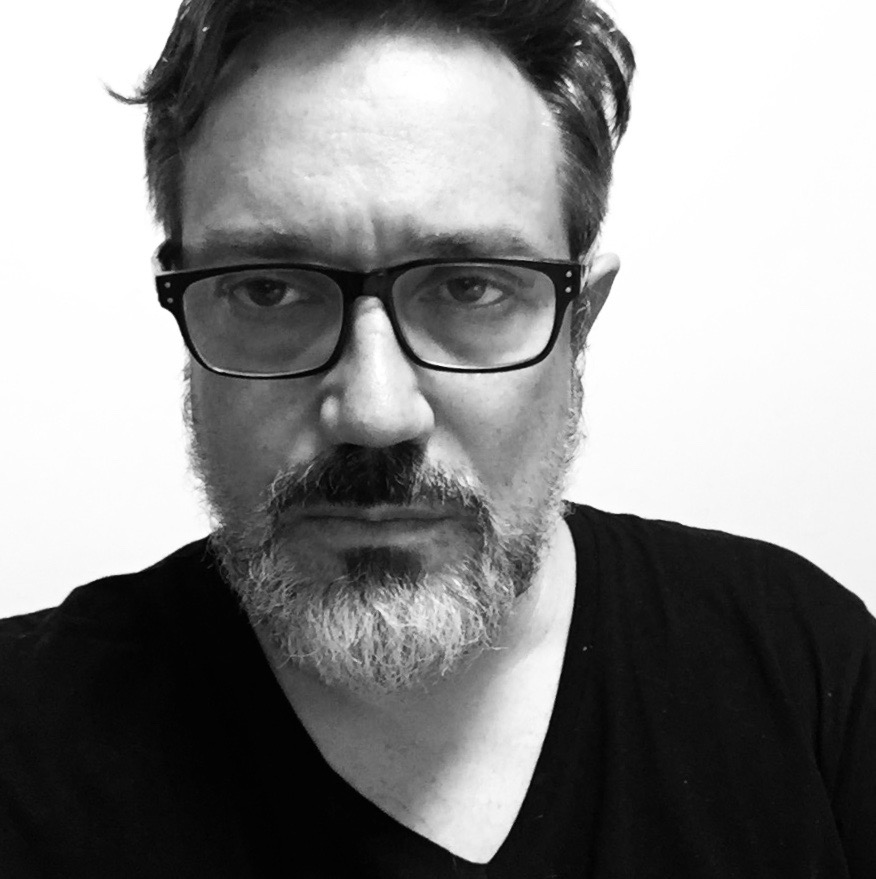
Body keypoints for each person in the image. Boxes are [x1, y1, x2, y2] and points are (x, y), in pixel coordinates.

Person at [1, 0, 873, 875]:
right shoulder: (26, 740)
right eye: (268, 289)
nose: (375, 411)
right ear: (183, 306)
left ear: (580, 322)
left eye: (469, 288)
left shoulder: (805, 674)